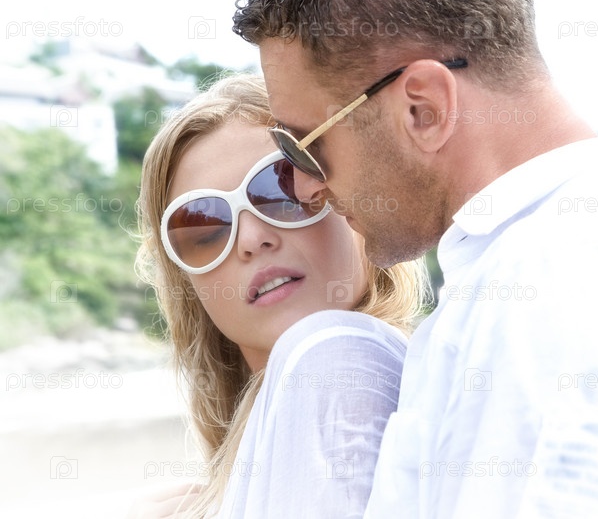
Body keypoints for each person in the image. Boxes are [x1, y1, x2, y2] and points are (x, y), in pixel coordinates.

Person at [232, 0, 598, 518]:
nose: (305, 187)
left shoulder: (576, 268)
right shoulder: (574, 250)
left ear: (424, 109)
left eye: (302, 146)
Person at [132, 73, 429, 518]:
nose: (252, 239)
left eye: (281, 192)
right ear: (186, 280)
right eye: (203, 229)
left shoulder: (336, 355)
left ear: (347, 198)